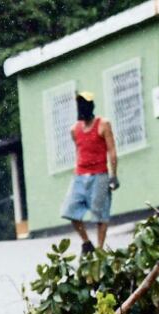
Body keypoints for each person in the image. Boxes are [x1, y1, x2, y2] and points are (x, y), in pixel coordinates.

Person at [61, 91, 119, 255]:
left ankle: (100, 249)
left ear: (91, 106)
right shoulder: (74, 129)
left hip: (99, 175)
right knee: (69, 210)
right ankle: (87, 243)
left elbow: (112, 151)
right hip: (80, 175)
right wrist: (76, 175)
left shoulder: (103, 124)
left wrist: (113, 176)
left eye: (84, 104)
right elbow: (79, 152)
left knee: (100, 215)